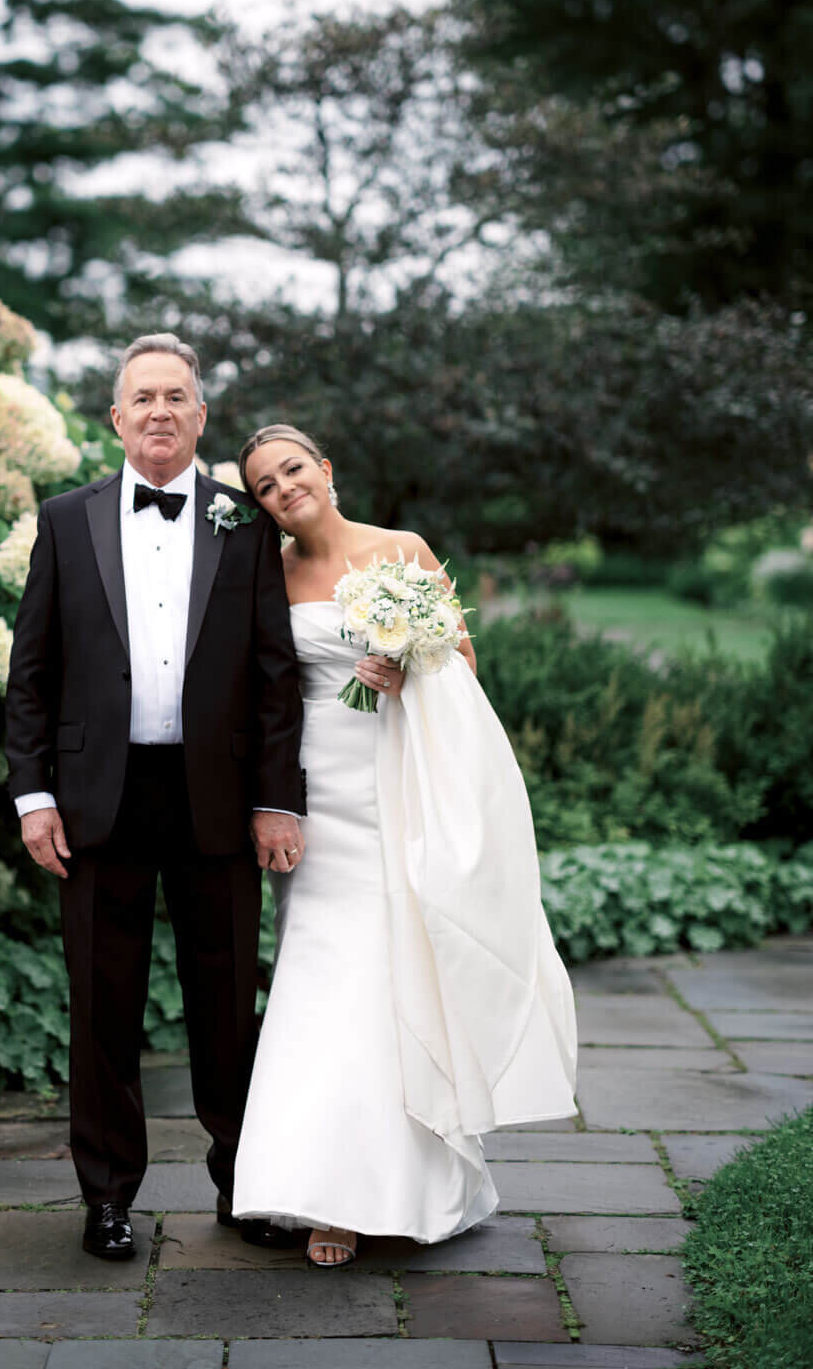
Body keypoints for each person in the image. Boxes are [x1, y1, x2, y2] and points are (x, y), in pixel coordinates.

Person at [5, 341, 394, 1261]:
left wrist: (277, 801)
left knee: (225, 1002)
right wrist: (33, 795)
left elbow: (271, 677)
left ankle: (245, 1185)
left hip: (217, 798)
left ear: (200, 417)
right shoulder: (65, 520)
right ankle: (107, 1198)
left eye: (177, 397)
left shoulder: (241, 522)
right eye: (142, 398)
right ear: (116, 418)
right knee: (103, 1007)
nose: (159, 413)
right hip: (98, 799)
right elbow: (33, 672)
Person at [231, 424, 578, 1268]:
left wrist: (405, 660)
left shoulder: (401, 548)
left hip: (400, 778)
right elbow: (257, 687)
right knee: (319, 973)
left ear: (326, 468)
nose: (284, 490)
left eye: (292, 470)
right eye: (266, 487)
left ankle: (404, 1183)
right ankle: (321, 1190)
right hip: (316, 790)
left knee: (396, 971)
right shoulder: (265, 575)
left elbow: (461, 660)